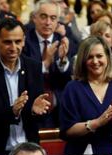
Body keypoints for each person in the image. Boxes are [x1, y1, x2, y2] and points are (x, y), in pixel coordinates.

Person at [0, 18, 50, 155]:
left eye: (18, 41)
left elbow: (40, 117)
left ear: (24, 41)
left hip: (28, 152)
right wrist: (11, 111)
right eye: (7, 42)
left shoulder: (34, 67)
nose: (13, 47)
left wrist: (35, 111)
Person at [60, 36, 112, 155]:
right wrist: (97, 123)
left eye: (99, 56)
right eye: (90, 57)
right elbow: (67, 130)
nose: (95, 61)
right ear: (82, 60)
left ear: (107, 57)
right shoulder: (72, 88)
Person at [23, 0, 73, 128]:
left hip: (59, 108)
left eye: (53, 18)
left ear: (58, 22)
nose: (48, 22)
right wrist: (45, 63)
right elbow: (24, 76)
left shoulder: (64, 41)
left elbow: (70, 77)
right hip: (30, 108)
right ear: (34, 18)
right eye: (43, 17)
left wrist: (63, 60)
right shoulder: (24, 41)